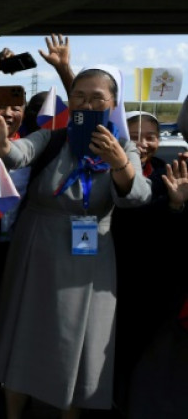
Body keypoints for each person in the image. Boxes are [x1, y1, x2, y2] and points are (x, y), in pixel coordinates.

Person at [0, 67, 152, 418]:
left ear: (113, 103)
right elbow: (19, 152)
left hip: (89, 256)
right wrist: (1, 142)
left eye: (98, 98)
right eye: (80, 96)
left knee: (76, 343)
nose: (88, 103)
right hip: (36, 246)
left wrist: (119, 165)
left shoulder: (122, 145)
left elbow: (138, 195)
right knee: (24, 332)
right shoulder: (54, 135)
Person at [110, 111, 188, 415]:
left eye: (151, 136)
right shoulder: (104, 170)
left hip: (152, 280)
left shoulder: (168, 173)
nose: (143, 143)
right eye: (134, 136)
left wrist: (174, 205)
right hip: (113, 271)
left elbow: (169, 231)